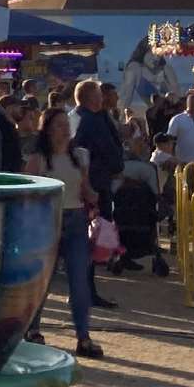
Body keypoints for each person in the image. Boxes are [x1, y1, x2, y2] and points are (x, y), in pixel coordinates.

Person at [22, 108, 103, 359]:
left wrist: (93, 196)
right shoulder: (37, 160)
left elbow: (85, 188)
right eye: (58, 125)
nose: (64, 130)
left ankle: (83, 336)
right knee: (42, 282)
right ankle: (33, 330)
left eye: (66, 125)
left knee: (79, 281)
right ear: (47, 129)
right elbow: (25, 192)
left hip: (76, 219)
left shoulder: (80, 156)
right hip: (46, 221)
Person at [71, 79, 124, 308]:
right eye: (99, 94)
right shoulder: (89, 121)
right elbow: (100, 151)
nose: (103, 98)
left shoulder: (86, 117)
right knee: (89, 240)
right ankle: (84, 292)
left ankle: (85, 290)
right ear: (92, 98)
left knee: (89, 241)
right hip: (93, 186)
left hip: (91, 184)